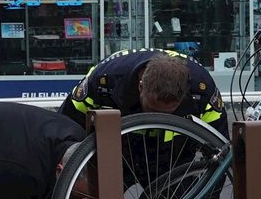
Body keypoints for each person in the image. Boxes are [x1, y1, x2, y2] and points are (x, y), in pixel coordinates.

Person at [59, 48, 228, 138]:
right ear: (140, 86)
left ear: (184, 94)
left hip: (173, 156)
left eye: (168, 114)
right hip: (118, 147)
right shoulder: (105, 78)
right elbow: (66, 122)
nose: (156, 119)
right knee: (103, 198)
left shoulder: (201, 87)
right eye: (152, 110)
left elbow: (219, 147)